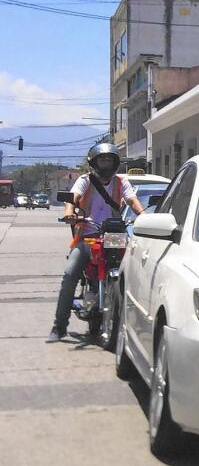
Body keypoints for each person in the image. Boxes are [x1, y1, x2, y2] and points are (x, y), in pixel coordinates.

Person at [48, 143, 145, 342]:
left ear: (115, 162)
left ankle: (132, 326)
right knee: (70, 274)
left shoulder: (121, 182)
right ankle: (59, 326)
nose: (106, 163)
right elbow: (73, 197)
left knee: (131, 272)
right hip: (87, 234)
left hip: (114, 235)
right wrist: (69, 213)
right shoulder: (85, 180)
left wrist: (144, 215)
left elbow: (132, 200)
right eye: (102, 159)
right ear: (94, 162)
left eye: (109, 159)